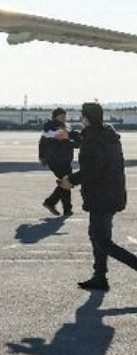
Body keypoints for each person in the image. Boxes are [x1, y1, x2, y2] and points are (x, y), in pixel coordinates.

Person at [58, 102, 137, 292]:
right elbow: (87, 142)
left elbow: (93, 169)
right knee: (98, 237)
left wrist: (70, 180)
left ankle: (102, 275)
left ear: (85, 118)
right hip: (110, 193)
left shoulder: (95, 139)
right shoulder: (105, 135)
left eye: (81, 116)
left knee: (101, 240)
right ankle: (99, 276)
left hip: (102, 195)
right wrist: (71, 136)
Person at [39, 107, 75, 216]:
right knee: (67, 181)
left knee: (65, 182)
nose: (64, 117)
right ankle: (51, 202)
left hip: (61, 159)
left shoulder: (55, 127)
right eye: (62, 115)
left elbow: (42, 143)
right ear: (56, 116)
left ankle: (67, 209)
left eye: (65, 115)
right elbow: (66, 141)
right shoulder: (53, 127)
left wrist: (42, 157)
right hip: (58, 160)